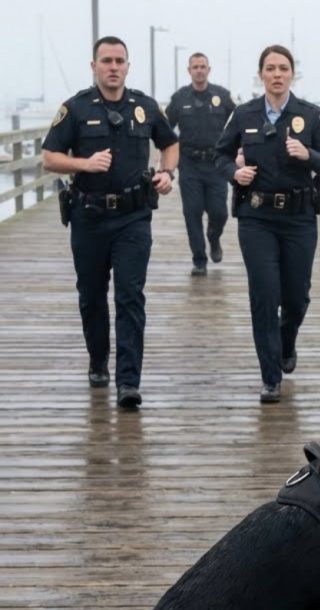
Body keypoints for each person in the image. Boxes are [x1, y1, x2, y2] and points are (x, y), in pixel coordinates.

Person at [42, 35, 178, 409]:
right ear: (94, 66)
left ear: (128, 66)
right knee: (91, 297)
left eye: (119, 60)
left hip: (134, 218)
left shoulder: (145, 107)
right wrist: (84, 164)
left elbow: (170, 142)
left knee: (130, 296)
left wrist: (168, 172)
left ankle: (128, 382)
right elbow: (49, 157)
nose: (113, 67)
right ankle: (98, 359)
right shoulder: (75, 108)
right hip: (89, 217)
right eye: (106, 61)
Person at [215, 44, 320, 404]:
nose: (276, 74)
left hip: (299, 219)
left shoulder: (310, 116)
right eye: (270, 68)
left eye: (283, 68)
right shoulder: (243, 115)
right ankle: (270, 377)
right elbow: (220, 155)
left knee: (296, 297)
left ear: (292, 74)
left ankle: (287, 342)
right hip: (257, 218)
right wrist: (234, 172)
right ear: (261, 75)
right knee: (264, 295)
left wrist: (309, 155)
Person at [166, 53, 235, 276]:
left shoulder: (222, 97)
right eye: (195, 67)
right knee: (192, 212)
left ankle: (213, 238)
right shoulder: (179, 99)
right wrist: (165, 163)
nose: (199, 70)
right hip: (189, 164)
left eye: (203, 66)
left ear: (209, 69)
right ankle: (199, 260)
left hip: (216, 164)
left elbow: (237, 125)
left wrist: (239, 152)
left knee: (220, 212)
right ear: (189, 70)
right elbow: (165, 132)